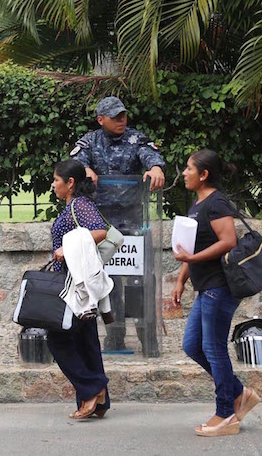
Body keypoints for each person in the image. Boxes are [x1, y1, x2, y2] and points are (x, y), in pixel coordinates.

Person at [171, 149, 260, 437]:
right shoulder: (198, 204)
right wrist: (181, 279)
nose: (184, 173)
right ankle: (238, 393)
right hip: (205, 287)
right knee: (192, 346)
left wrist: (193, 261)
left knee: (213, 348)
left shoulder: (217, 202)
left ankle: (226, 414)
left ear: (203, 174)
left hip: (220, 287)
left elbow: (228, 241)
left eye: (188, 168)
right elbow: (191, 247)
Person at [71, 96, 166, 351]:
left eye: (123, 115)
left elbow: (151, 155)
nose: (122, 120)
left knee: (140, 280)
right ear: (101, 120)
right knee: (107, 280)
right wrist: (85, 170)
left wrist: (156, 168)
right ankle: (115, 335)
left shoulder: (136, 139)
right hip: (102, 223)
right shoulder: (90, 141)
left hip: (134, 220)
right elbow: (76, 160)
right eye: (115, 117)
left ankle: (147, 339)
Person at [47, 159, 110, 419]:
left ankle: (91, 390)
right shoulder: (74, 206)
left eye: (56, 180)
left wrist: (65, 249)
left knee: (58, 339)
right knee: (86, 340)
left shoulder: (80, 205)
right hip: (78, 284)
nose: (53, 185)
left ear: (70, 183)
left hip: (76, 285)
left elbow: (101, 231)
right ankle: (99, 401)